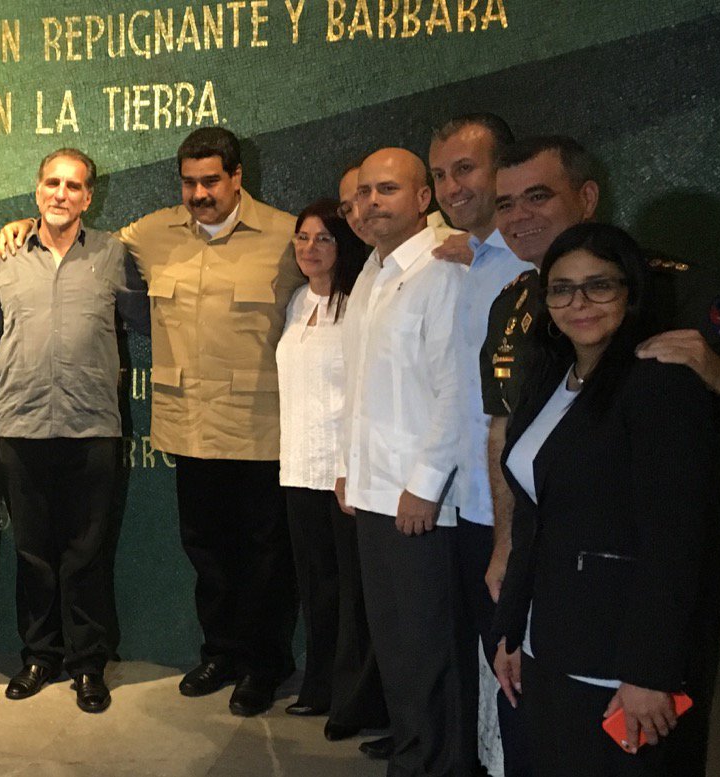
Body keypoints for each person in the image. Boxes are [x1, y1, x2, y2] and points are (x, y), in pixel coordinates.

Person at [0, 128, 303, 717]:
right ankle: (219, 654)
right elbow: (58, 239)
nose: (200, 193)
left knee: (262, 557)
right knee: (204, 552)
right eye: (189, 182)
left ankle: (262, 667)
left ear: (237, 177)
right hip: (188, 429)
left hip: (258, 429)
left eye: (211, 181)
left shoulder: (286, 234)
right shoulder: (149, 234)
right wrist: (21, 226)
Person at [491, 222, 720, 777]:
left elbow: (676, 541)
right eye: (562, 289)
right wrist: (511, 630)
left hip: (619, 662)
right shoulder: (551, 378)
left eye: (599, 285)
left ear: (631, 292)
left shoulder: (660, 384)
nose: (579, 303)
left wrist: (649, 672)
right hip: (548, 641)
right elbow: (533, 518)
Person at [0, 148, 134, 713]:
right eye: (52, 183)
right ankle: (39, 656)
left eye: (73, 186)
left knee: (86, 554)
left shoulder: (113, 254)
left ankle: (88, 664)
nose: (61, 193)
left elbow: (146, 316)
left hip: (90, 427)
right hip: (20, 426)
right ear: (37, 189)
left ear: (88, 197)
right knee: (32, 553)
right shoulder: (5, 256)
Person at [337, 147, 467, 775]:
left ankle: (432, 763)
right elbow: (360, 384)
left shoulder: (443, 269)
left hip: (419, 501)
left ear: (423, 198)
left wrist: (424, 485)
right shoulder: (372, 270)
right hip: (373, 492)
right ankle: (413, 750)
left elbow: (456, 390)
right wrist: (348, 468)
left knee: (426, 647)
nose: (370, 203)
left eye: (386, 189)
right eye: (363, 193)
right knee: (395, 644)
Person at [429, 114, 533, 777]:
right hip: (470, 503)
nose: (451, 187)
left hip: (517, 515)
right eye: (440, 174)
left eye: (464, 169)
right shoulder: (469, 262)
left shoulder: (533, 265)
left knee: (515, 670)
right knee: (481, 666)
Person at [276, 198, 387, 741]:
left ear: (343, 245)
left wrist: (348, 466)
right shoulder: (297, 303)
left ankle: (353, 701)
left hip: (344, 474)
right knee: (316, 588)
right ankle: (317, 686)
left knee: (353, 593)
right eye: (302, 237)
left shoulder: (358, 302)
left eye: (323, 238)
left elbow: (363, 393)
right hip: (298, 469)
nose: (310, 248)